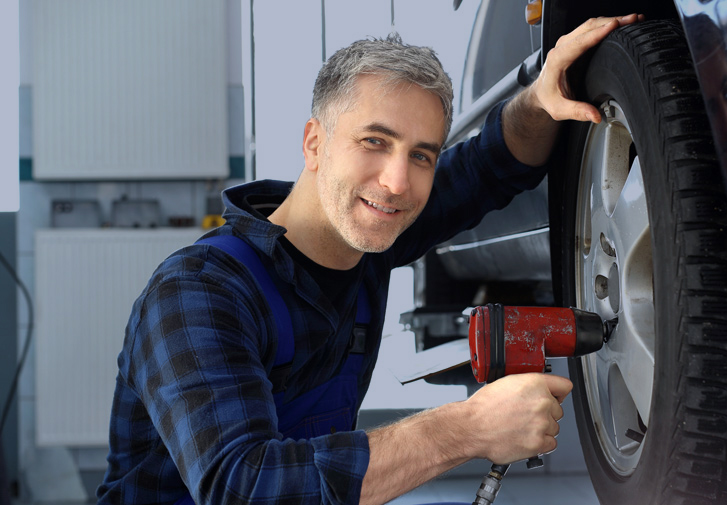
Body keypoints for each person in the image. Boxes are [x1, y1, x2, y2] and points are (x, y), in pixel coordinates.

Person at [97, 14, 644, 505]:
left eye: (422, 155)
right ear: (314, 143)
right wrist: (469, 428)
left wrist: (540, 97)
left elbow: (487, 167)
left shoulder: (367, 238)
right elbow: (245, 488)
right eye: (374, 142)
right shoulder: (199, 292)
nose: (398, 182)